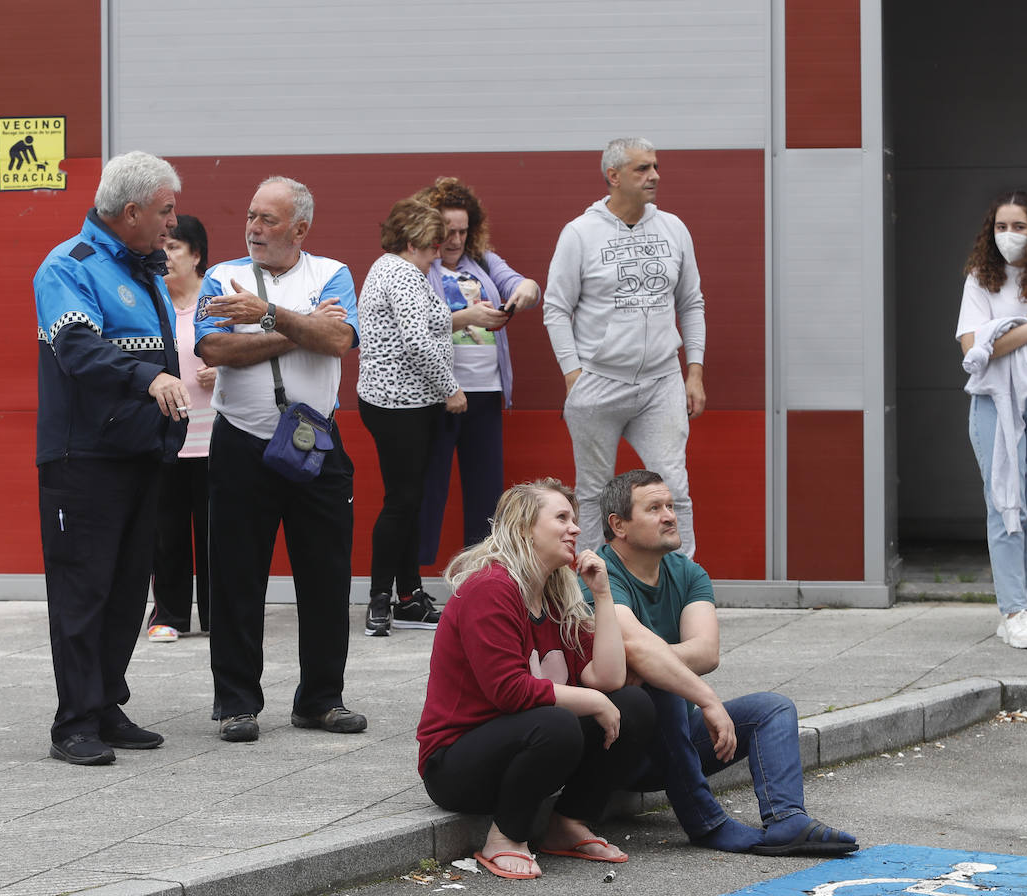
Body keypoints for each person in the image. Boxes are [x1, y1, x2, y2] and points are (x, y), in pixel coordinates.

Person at [587, 469, 858, 858]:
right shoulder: (598, 574)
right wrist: (705, 698)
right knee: (660, 687)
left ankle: (787, 819)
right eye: (654, 508)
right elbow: (632, 643)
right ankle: (706, 823)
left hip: (677, 739)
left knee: (772, 709)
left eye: (670, 506)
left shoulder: (687, 572)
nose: (670, 516)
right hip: (619, 747)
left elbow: (706, 652)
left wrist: (650, 662)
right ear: (619, 525)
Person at [196, 176, 367, 741]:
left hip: (315, 441)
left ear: (300, 229)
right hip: (241, 442)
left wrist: (265, 314)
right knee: (235, 575)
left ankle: (321, 699)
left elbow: (339, 341)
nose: (253, 228)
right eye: (250, 215)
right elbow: (215, 347)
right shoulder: (222, 277)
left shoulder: (333, 273)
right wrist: (302, 327)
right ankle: (236, 703)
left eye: (267, 219)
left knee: (326, 576)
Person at [34, 150, 189, 765]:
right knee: (83, 592)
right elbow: (78, 349)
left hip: (139, 452)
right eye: (166, 210)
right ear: (130, 212)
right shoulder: (67, 266)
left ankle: (104, 704)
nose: (173, 223)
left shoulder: (143, 267)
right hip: (85, 458)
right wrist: (150, 379)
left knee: (125, 593)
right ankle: (73, 723)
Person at [416, 479, 653, 880]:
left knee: (634, 706)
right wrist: (593, 701)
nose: (575, 528)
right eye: (561, 518)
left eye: (574, 519)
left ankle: (567, 823)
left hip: (525, 750)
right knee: (557, 721)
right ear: (525, 528)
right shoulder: (490, 587)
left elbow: (609, 678)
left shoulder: (555, 595)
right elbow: (510, 692)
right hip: (456, 765)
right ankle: (505, 838)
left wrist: (603, 594)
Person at [543, 137, 706, 556]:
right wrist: (574, 375)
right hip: (599, 380)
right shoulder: (580, 233)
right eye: (642, 169)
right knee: (594, 492)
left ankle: (683, 582)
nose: (654, 176)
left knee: (673, 487)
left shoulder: (673, 228)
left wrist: (694, 371)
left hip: (661, 380)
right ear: (613, 176)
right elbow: (556, 308)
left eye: (655, 167)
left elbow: (691, 302)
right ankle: (588, 584)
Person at [955, 190, 1027, 650]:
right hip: (995, 397)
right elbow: (973, 349)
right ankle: (1013, 611)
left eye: (1018, 226)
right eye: (1001, 226)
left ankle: (1023, 604)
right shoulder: (979, 277)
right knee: (1006, 505)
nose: (1009, 235)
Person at [413, 177, 540, 566]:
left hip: (486, 391)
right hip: (438, 393)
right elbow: (415, 326)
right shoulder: (419, 265)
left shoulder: (482, 261)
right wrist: (467, 317)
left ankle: (481, 576)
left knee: (486, 493)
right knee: (428, 491)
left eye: (463, 231)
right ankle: (412, 581)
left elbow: (524, 285)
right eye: (447, 231)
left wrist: (524, 291)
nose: (455, 240)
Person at [356, 199, 465, 637]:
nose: (439, 251)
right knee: (402, 503)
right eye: (434, 243)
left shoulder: (387, 268)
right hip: (401, 405)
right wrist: (451, 389)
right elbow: (417, 342)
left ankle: (408, 597)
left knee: (408, 500)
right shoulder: (402, 274)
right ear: (413, 241)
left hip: (397, 402)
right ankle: (380, 599)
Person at [148, 215, 215, 642]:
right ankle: (168, 615)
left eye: (173, 247)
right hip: (167, 438)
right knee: (166, 532)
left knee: (215, 534)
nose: (165, 255)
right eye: (162, 246)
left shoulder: (217, 300)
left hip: (214, 439)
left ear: (196, 255)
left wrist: (224, 370)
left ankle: (217, 616)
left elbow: (247, 353)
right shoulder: (151, 301)